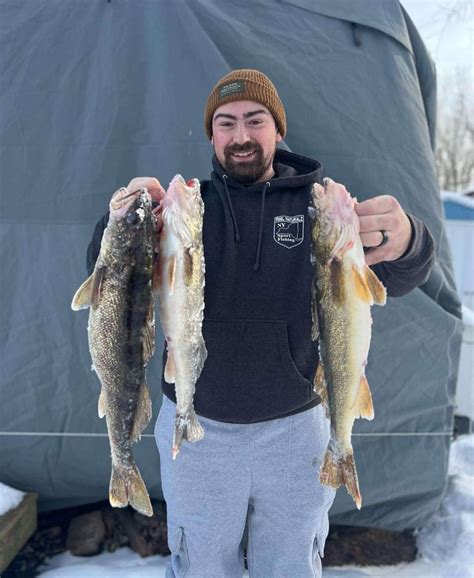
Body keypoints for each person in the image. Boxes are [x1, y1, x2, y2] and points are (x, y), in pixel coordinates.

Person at [86, 69, 435, 578]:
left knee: (292, 566)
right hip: (198, 429)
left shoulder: (321, 207)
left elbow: (402, 275)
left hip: (298, 430)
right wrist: (116, 223)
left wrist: (409, 240)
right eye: (226, 123)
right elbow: (112, 278)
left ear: (278, 130)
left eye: (256, 120)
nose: (241, 136)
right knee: (202, 565)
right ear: (212, 135)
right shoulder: (186, 208)